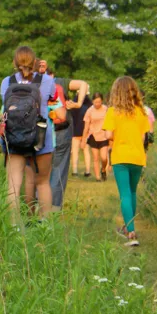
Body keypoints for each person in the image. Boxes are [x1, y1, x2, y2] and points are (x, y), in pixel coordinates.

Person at [0, 47, 64, 224]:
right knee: (43, 182)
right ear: (35, 62)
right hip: (41, 138)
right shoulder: (47, 81)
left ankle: (13, 226)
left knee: (13, 185)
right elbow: (53, 100)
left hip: (13, 137)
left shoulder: (7, 82)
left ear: (15, 62)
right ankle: (45, 225)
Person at [102, 76, 151, 247]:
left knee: (124, 194)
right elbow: (144, 136)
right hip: (137, 156)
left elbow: (108, 135)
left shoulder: (113, 111)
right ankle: (128, 226)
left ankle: (131, 233)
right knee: (132, 192)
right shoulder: (141, 111)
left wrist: (119, 136)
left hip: (121, 156)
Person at [43, 66, 89, 210]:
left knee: (40, 172)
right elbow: (83, 84)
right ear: (52, 74)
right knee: (59, 169)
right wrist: (78, 103)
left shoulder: (33, 83)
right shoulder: (60, 82)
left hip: (41, 133)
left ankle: (38, 208)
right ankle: (55, 209)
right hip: (62, 131)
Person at [81, 93, 109, 181]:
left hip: (104, 135)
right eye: (95, 102)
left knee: (104, 157)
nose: (97, 104)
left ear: (102, 101)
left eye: (99, 102)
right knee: (96, 158)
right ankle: (98, 177)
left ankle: (103, 169)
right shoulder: (89, 111)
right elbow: (86, 127)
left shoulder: (106, 109)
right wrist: (83, 140)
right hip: (93, 136)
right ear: (93, 101)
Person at [70, 93, 93, 177]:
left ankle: (75, 171)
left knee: (75, 152)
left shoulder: (73, 107)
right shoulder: (89, 108)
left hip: (75, 132)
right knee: (86, 151)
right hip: (85, 132)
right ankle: (87, 171)